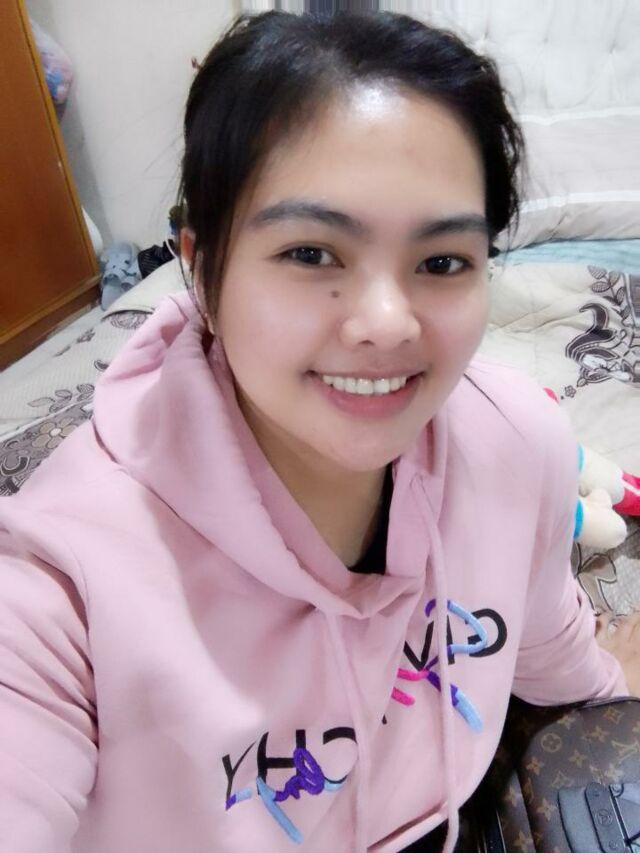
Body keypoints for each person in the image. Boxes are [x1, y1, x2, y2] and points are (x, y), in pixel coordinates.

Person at [0, 10, 638, 853]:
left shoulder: (517, 439)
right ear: (202, 268)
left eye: (442, 261)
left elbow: (544, 635)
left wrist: (605, 671)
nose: (386, 322)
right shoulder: (57, 586)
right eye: (311, 253)